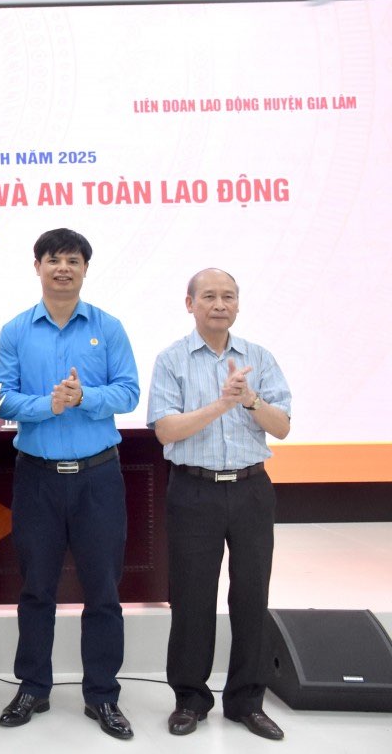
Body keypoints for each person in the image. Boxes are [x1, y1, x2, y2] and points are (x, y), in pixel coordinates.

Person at [0, 228, 140, 740]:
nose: (62, 268)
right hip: (37, 480)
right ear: (37, 266)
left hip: (99, 478)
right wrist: (47, 406)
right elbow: (1, 400)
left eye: (72, 260)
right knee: (36, 589)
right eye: (52, 260)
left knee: (103, 590)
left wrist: (84, 398)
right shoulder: (15, 331)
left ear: (84, 269)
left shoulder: (108, 327)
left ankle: (102, 696)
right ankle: (33, 686)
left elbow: (129, 392)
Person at [148, 268, 291, 741]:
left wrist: (248, 398)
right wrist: (222, 405)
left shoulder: (259, 358)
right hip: (193, 490)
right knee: (192, 598)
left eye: (228, 296)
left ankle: (247, 701)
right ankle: (190, 699)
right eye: (208, 296)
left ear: (237, 304)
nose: (219, 304)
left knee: (251, 596)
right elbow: (166, 430)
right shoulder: (172, 360)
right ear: (189, 304)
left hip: (251, 490)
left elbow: (282, 425)